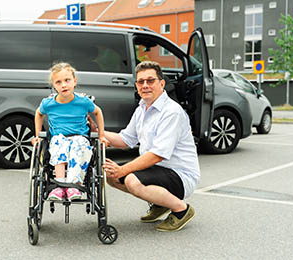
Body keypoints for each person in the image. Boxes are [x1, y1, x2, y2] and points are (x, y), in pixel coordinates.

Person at [102, 61, 200, 232]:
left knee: (131, 180)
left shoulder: (171, 112)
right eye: (141, 82)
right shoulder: (142, 109)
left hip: (180, 174)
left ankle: (181, 210)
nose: (145, 85)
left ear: (161, 84)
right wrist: (98, 131)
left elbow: (157, 155)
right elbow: (125, 139)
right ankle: (161, 204)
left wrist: (123, 170)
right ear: (136, 85)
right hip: (158, 170)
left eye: (150, 80)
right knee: (112, 177)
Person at [32, 62, 108, 201]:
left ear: (74, 81)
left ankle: (73, 185)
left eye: (67, 80)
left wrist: (102, 135)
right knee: (58, 143)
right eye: (58, 82)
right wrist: (37, 135)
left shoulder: (83, 101)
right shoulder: (48, 103)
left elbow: (98, 112)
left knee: (79, 146)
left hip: (80, 136)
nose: (64, 85)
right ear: (54, 85)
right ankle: (60, 185)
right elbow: (38, 114)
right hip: (59, 137)